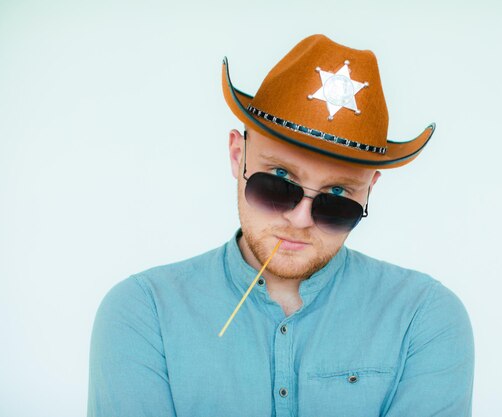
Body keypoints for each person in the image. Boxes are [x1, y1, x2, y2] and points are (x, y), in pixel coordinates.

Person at [87, 34, 474, 417]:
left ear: (369, 192)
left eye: (337, 195)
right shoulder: (143, 313)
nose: (300, 219)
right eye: (278, 180)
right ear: (237, 156)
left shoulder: (423, 319)